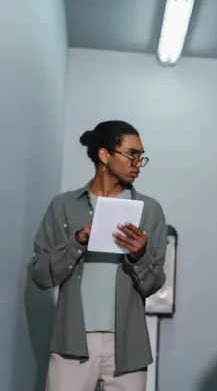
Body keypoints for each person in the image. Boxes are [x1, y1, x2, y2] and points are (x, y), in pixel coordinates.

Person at [29, 120, 168, 391]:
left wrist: (139, 255)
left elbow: (153, 284)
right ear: (105, 155)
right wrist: (77, 242)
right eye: (132, 154)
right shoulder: (63, 207)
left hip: (128, 345)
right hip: (72, 341)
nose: (138, 163)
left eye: (141, 156)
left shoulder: (150, 211)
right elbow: (40, 274)